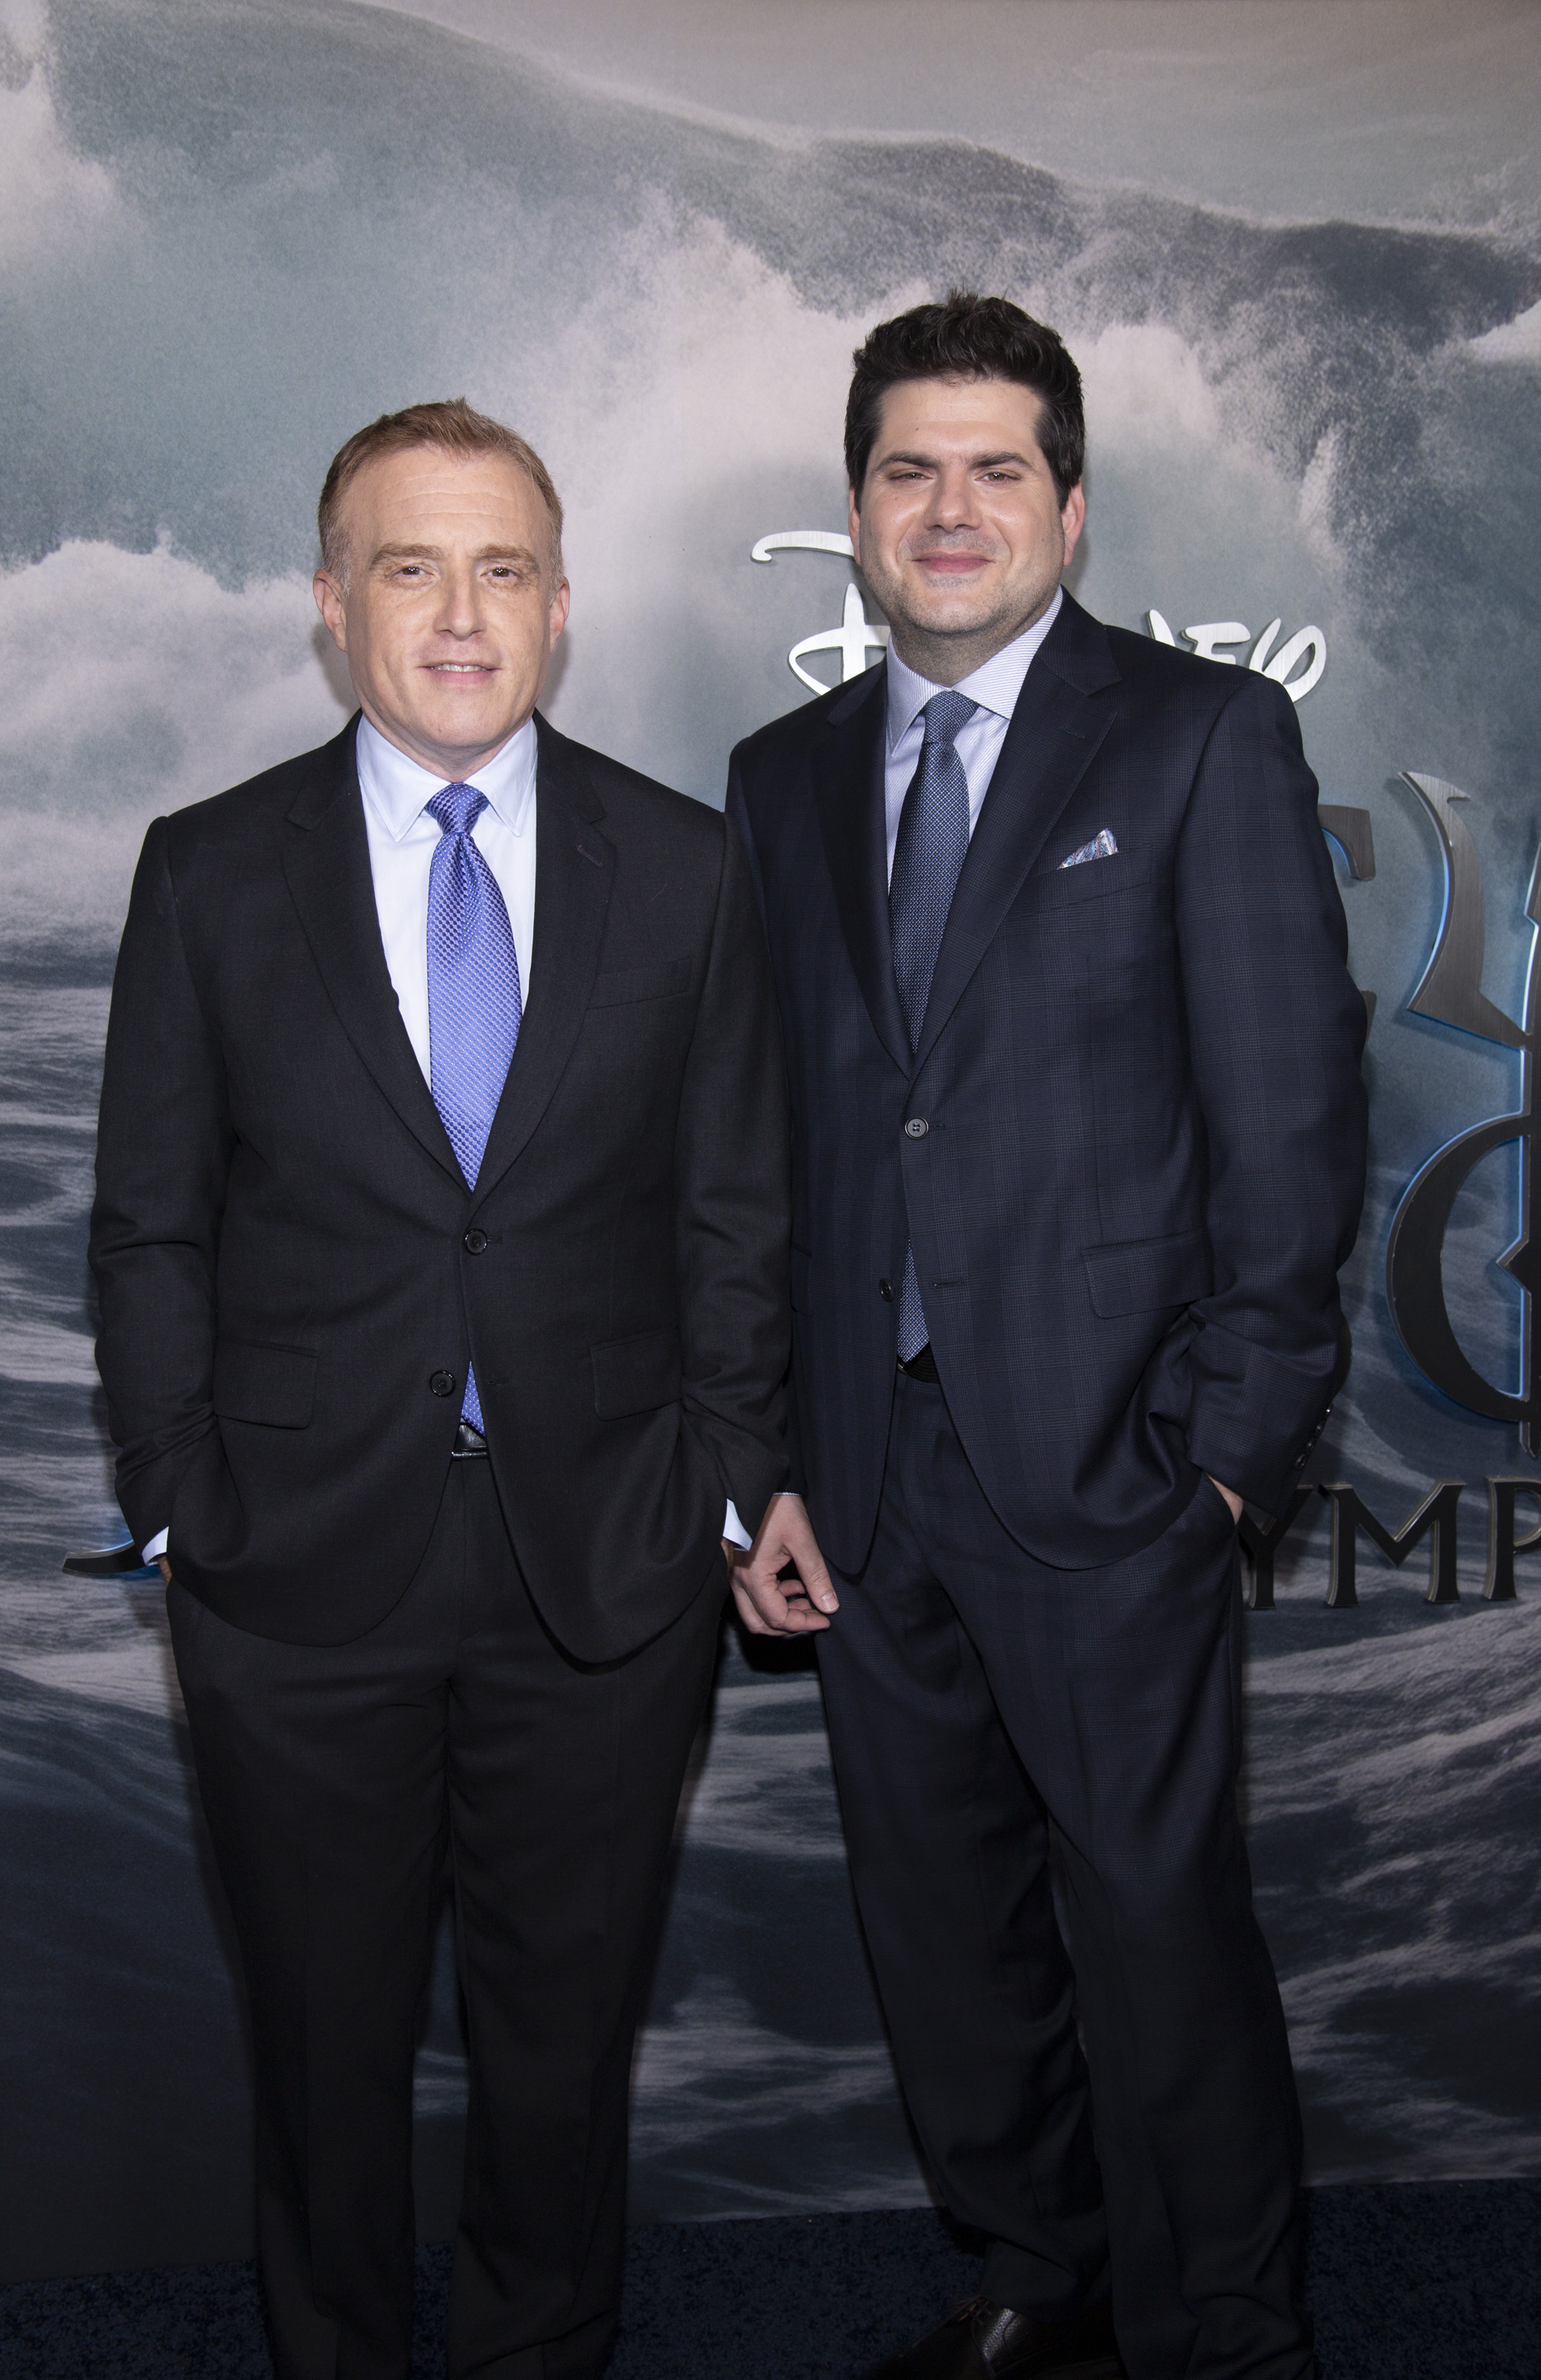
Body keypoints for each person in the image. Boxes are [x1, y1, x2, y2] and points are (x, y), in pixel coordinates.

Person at [90, 399, 790, 2380]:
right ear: (334, 605)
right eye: (413, 568)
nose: (462, 616)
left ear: (561, 609)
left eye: (503, 572)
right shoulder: (210, 873)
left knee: (563, 2059)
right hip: (294, 1576)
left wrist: (724, 1482)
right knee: (322, 2061)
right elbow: (149, 1226)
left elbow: (740, 1212)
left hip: (605, 1571)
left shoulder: (689, 868)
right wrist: (178, 1501)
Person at [726, 295, 1367, 2380]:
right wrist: (767, 1463)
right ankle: (1035, 2277)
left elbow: (1289, 1126)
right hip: (866, 1470)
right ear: (854, 511)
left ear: (1069, 509)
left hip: (1113, 1465)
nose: (950, 506)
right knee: (942, 1928)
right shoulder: (780, 779)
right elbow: (769, 1148)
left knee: (1159, 1934)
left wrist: (1229, 1454)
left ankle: (1225, 2335)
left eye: (996, 467)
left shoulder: (1198, 740)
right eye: (908, 468)